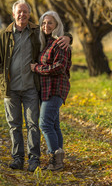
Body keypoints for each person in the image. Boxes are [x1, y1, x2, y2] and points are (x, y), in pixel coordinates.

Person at [0, 0, 71, 172]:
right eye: (19, 12)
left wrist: (68, 37)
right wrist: (0, 73)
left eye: (25, 12)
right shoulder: (4, 35)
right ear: (13, 14)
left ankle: (34, 160)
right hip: (11, 90)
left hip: (32, 88)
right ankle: (17, 158)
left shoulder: (35, 31)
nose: (22, 15)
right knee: (14, 125)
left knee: (34, 125)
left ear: (29, 14)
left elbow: (54, 33)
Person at [30, 11, 72, 171]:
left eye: (50, 23)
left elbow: (60, 67)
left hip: (56, 89)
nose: (46, 26)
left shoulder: (59, 43)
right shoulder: (46, 42)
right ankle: (58, 161)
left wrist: (37, 68)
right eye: (44, 23)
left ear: (57, 25)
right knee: (54, 125)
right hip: (46, 90)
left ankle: (54, 157)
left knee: (45, 123)